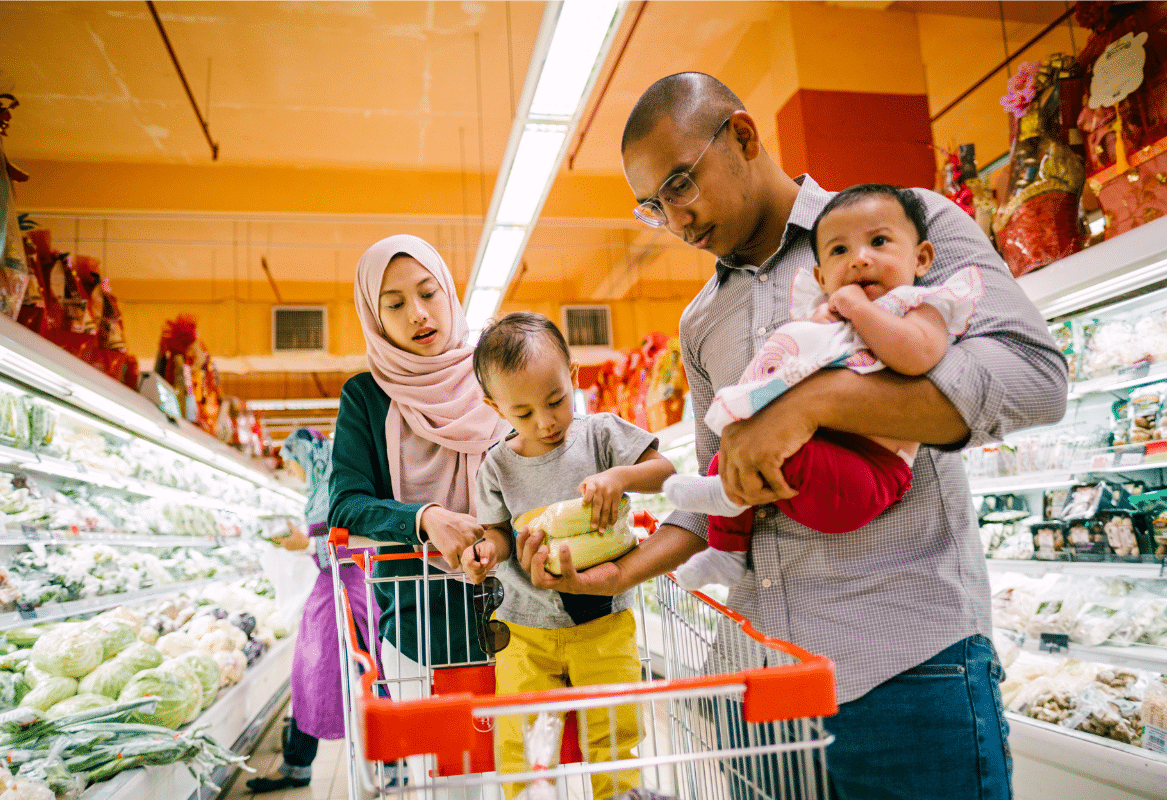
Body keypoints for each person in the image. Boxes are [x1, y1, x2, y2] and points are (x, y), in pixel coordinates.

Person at [515, 72, 1068, 800]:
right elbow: (722, 488)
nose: (677, 221)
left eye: (681, 183)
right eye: (654, 206)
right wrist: (622, 573)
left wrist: (812, 405)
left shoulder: (901, 229)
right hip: (758, 693)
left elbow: (1034, 379)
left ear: (743, 136)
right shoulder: (701, 322)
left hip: (906, 674)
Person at [665, 183, 984, 589]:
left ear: (921, 258)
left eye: (879, 242)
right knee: (733, 453)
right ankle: (727, 552)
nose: (860, 260)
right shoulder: (820, 314)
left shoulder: (920, 306)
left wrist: (859, 310)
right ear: (820, 276)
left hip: (872, 472)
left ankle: (727, 496)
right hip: (824, 451)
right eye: (839, 252)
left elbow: (916, 355)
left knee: (772, 457)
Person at [460, 312, 676, 800]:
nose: (547, 421)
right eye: (524, 412)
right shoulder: (496, 465)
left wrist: (619, 477)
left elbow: (665, 472)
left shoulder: (601, 434)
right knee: (520, 742)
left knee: (616, 734)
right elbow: (495, 531)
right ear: (497, 407)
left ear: (573, 378)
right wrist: (484, 551)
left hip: (604, 619)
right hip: (524, 628)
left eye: (556, 400)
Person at [327, 234, 510, 791]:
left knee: (521, 768)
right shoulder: (366, 397)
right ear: (375, 317)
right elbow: (346, 502)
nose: (419, 314)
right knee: (447, 781)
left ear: (449, 295)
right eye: (395, 303)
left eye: (428, 293)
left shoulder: (493, 373)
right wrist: (426, 518)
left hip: (516, 613)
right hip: (416, 621)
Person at [247, 428, 375, 793]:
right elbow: (324, 533)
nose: (291, 470)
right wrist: (302, 537)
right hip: (329, 587)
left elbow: (360, 536)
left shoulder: (341, 483)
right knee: (310, 673)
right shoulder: (320, 488)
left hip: (351, 588)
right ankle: (297, 764)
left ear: (308, 457)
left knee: (367, 675)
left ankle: (388, 763)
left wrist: (306, 541)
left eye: (291, 462)